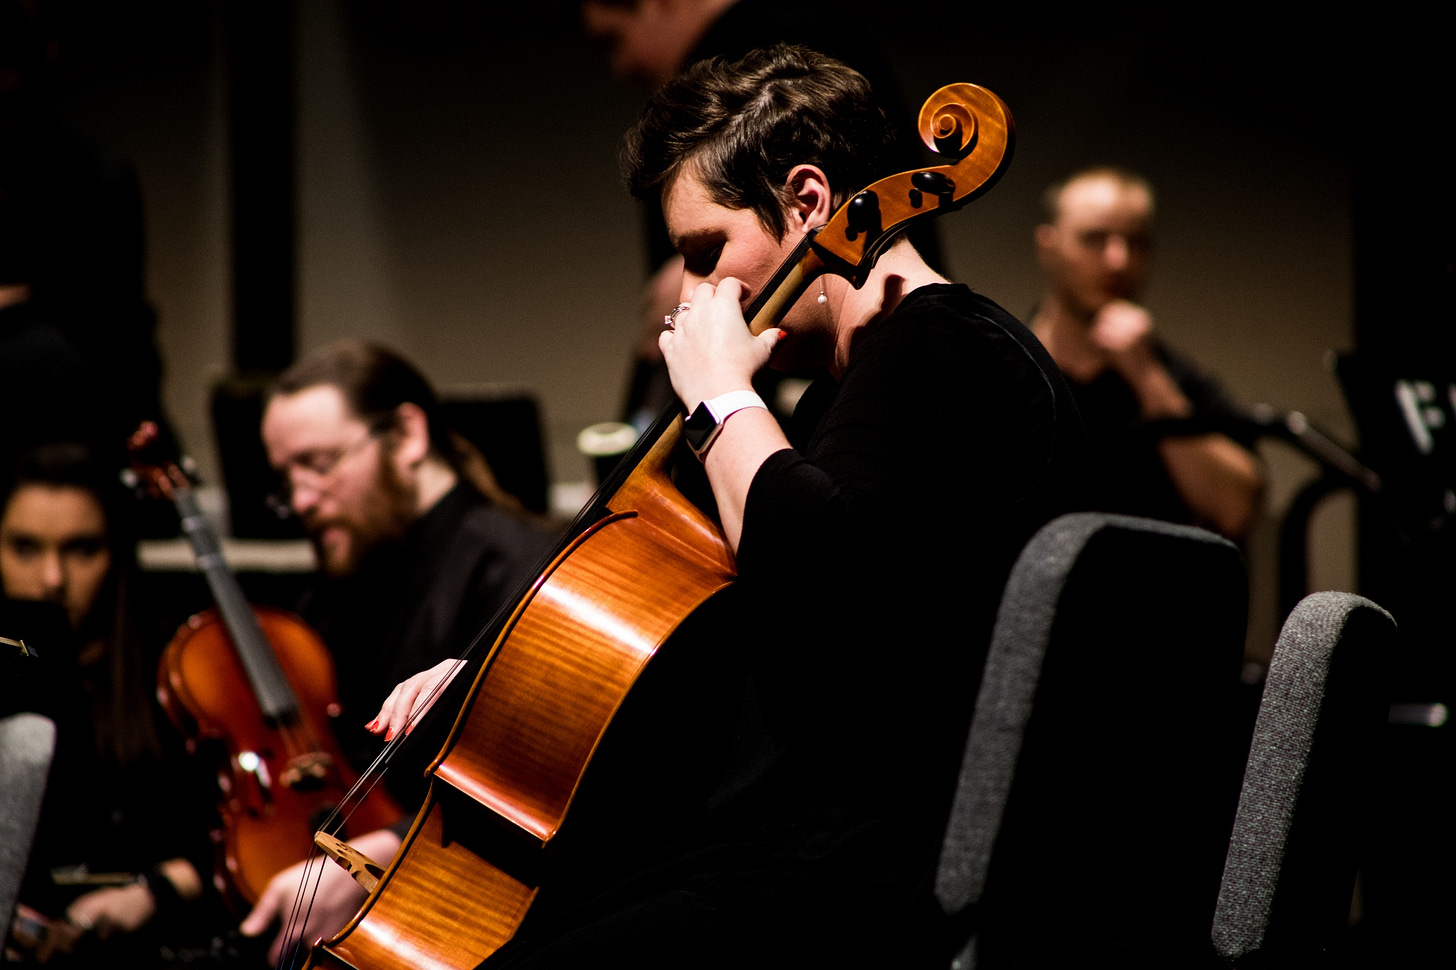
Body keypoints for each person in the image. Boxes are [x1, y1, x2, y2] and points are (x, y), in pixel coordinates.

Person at [372, 45, 1086, 969]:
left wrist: (719, 400)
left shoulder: (937, 351)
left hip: (849, 890)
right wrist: (501, 685)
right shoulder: (858, 391)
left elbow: (823, 592)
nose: (699, 293)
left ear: (808, 202)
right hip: (818, 864)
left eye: (707, 253)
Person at [241, 339, 555, 962]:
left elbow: (534, 797)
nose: (301, 500)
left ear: (407, 435)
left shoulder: (514, 569)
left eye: (320, 463)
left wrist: (377, 852)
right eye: (287, 479)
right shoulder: (339, 586)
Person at [1, 442, 222, 965]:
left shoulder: (177, 666)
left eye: (82, 549)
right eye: (25, 548)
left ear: (117, 552)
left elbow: (235, 842)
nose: (52, 579)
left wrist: (154, 891)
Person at [1029, 166, 1264, 540]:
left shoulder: (1174, 377)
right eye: (1094, 238)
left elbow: (1235, 508)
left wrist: (1146, 376)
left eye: (1136, 242)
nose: (1118, 261)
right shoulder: (1007, 369)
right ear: (1048, 246)